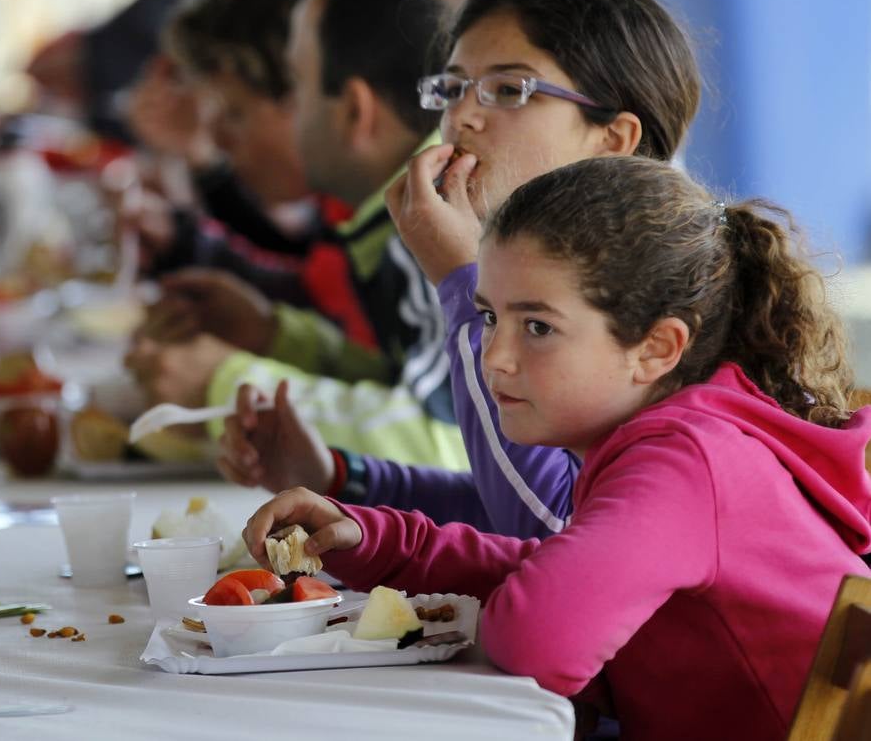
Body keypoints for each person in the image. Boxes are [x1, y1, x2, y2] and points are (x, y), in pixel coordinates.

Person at [243, 155, 871, 740]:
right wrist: (378, 542)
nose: (495, 357)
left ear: (656, 348)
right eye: (489, 316)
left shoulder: (686, 460)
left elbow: (538, 638)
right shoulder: (683, 437)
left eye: (538, 327)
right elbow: (551, 570)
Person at [219, 0, 700, 537]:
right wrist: (336, 478)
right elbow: (506, 507)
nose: (460, 117)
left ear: (613, 141)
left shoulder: (647, 303)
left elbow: (555, 530)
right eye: (452, 88)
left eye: (507, 90)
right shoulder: (557, 282)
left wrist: (460, 279)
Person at [134, 0, 472, 468]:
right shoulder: (402, 218)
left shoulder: (443, 220)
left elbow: (448, 444)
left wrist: (227, 382)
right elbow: (403, 382)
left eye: (299, 86)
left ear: (355, 111)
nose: (216, 138)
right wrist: (277, 337)